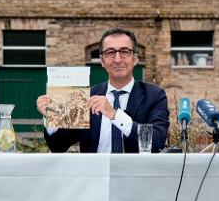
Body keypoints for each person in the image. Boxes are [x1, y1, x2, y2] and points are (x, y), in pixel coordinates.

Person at [36, 28, 170, 153]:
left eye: (124, 52)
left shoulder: (154, 95)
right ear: (102, 61)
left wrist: (114, 114)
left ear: (135, 58)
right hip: (95, 175)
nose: (117, 59)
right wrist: (52, 118)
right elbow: (58, 146)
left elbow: (157, 142)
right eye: (110, 53)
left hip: (135, 175)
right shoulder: (86, 96)